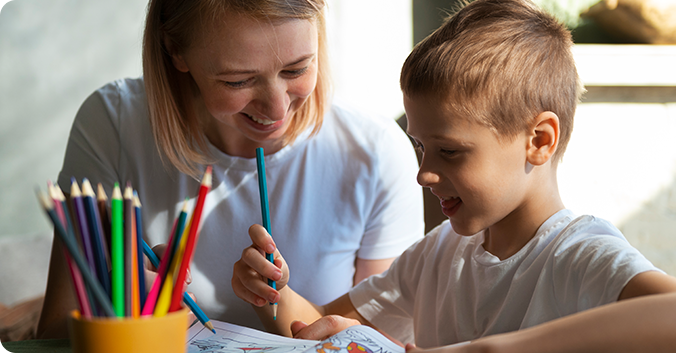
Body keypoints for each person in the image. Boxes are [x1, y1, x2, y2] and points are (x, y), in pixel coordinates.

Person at [231, 0, 676, 351]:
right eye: (422, 148)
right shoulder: (438, 253)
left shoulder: (579, 255)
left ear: (538, 141)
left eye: (449, 151)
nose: (425, 173)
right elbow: (317, 326)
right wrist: (270, 293)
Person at [36, 0, 424, 339]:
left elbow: (384, 337)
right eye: (238, 80)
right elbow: (51, 333)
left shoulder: (375, 151)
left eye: (296, 69)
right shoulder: (113, 124)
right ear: (175, 50)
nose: (276, 110)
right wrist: (119, 313)